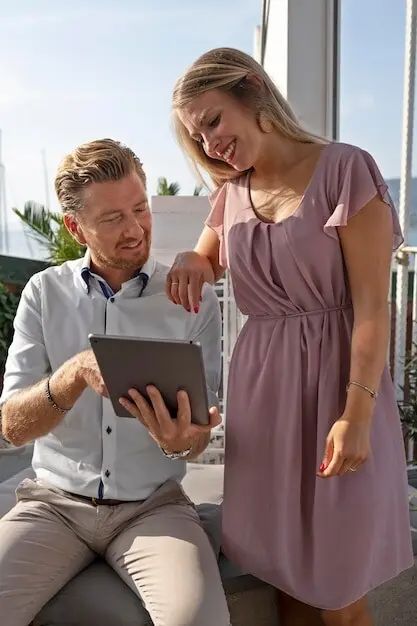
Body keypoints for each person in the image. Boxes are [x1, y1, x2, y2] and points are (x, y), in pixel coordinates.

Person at [166, 47, 414, 626]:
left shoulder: (346, 170)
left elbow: (372, 308)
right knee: (284, 580)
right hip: (265, 401)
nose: (210, 144)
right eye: (198, 137)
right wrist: (191, 260)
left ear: (252, 89)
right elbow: (207, 258)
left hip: (338, 395)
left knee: (339, 593)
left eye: (213, 121)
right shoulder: (231, 193)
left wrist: (357, 415)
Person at [0, 138, 231, 626]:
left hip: (154, 508)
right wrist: (73, 375)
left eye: (140, 209)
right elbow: (12, 427)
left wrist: (180, 443)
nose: (135, 229)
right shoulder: (43, 293)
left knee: (198, 620)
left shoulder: (192, 300)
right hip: (53, 505)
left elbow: (196, 439)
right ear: (74, 227)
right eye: (112, 218)